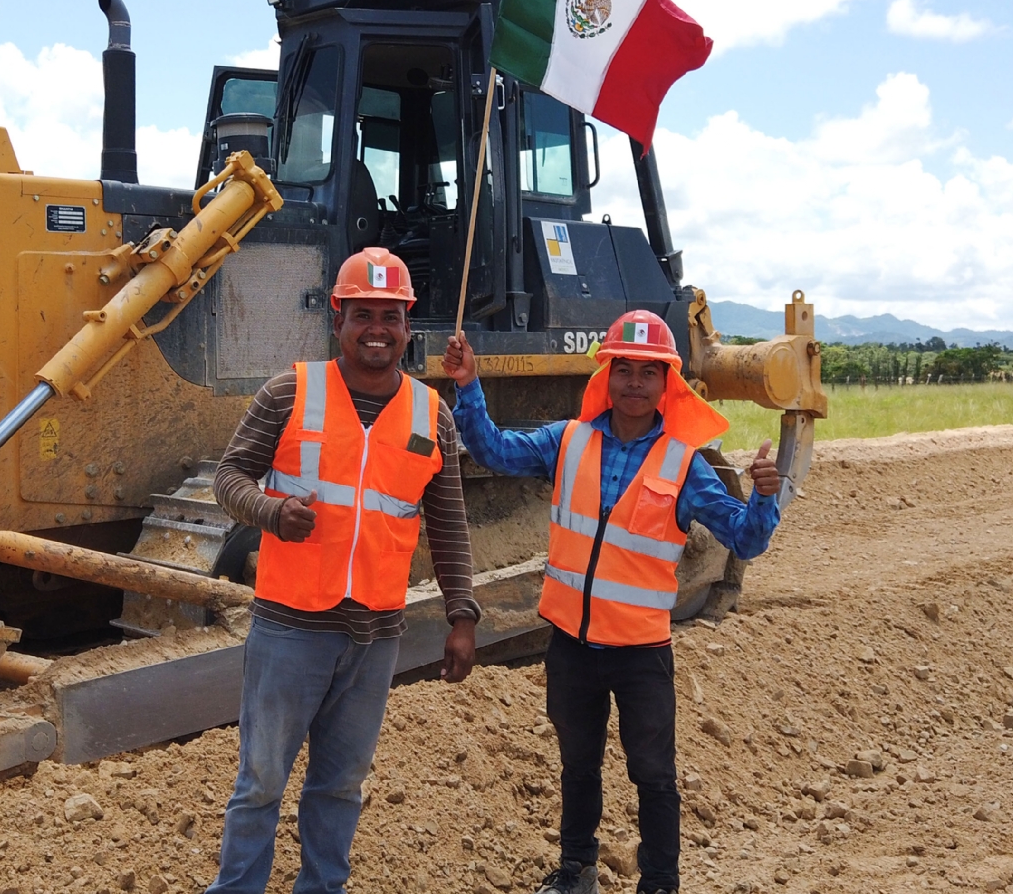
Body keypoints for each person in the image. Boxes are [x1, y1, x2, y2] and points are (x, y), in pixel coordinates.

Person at [442, 311, 781, 894]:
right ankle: (576, 872)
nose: (633, 383)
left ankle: (661, 883)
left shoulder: (685, 466)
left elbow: (745, 538)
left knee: (653, 774)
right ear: (607, 373)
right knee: (578, 765)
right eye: (623, 368)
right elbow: (493, 450)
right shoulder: (567, 440)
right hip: (572, 644)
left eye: (648, 373)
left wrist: (765, 497)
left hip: (641, 652)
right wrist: (469, 385)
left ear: (667, 384)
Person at [206, 247, 480, 894]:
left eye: (391, 315)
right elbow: (228, 478)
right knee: (261, 781)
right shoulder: (288, 391)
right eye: (363, 314)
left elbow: (448, 523)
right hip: (289, 628)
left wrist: (462, 613)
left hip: (376, 635)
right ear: (339, 317)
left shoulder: (430, 413)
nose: (377, 328)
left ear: (407, 324)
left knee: (340, 785)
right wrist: (270, 511)